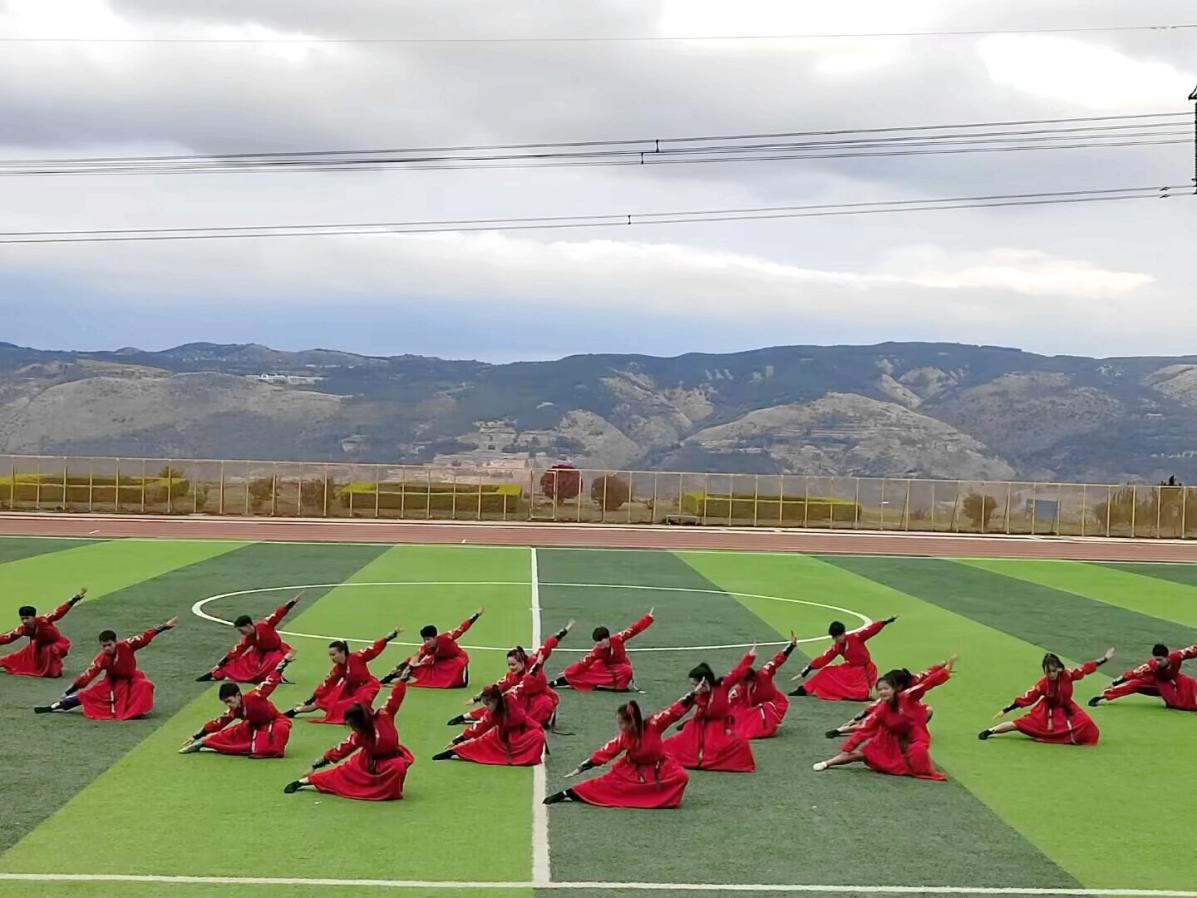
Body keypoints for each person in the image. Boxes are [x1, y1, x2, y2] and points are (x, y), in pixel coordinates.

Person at [813, 656, 955, 781]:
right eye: (880, 690)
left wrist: (945, 669)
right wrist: (849, 745)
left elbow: (928, 682)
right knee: (860, 754)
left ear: (895, 688)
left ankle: (913, 761)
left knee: (918, 750)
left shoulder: (908, 695)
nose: (882, 692)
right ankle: (827, 763)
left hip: (909, 733)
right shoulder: (881, 708)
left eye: (886, 689)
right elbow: (865, 728)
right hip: (888, 738)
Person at [544, 695, 694, 809]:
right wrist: (583, 767)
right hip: (632, 769)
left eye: (622, 723)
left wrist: (694, 694)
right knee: (604, 785)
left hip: (660, 767)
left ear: (632, 722)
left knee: (681, 777)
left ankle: (659, 798)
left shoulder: (654, 724)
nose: (620, 727)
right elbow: (606, 752)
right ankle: (569, 793)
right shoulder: (624, 737)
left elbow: (673, 712)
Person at [284, 674, 415, 801]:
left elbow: (395, 698)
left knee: (398, 767)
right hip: (368, 762)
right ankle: (303, 782)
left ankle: (386, 791)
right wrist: (316, 764)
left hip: (392, 759)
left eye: (353, 725)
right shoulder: (359, 736)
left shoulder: (384, 715)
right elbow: (340, 750)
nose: (352, 728)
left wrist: (402, 680)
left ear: (361, 722)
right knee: (339, 775)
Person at [34, 617, 178, 719]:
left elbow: (145, 636)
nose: (107, 648)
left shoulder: (127, 645)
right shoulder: (101, 658)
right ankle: (55, 706)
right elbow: (87, 676)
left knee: (145, 685)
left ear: (115, 642)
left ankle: (135, 711)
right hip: (113, 682)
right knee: (87, 695)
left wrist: (164, 626)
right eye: (104, 646)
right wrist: (70, 690)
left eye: (109, 645)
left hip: (131, 678)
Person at [450, 621, 574, 729]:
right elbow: (495, 688)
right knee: (503, 706)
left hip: (541, 699)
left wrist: (564, 631)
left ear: (522, 662)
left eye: (513, 664)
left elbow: (549, 644)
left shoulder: (535, 661)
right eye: (509, 665)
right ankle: (466, 717)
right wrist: (475, 700)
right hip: (523, 700)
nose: (511, 668)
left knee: (543, 705)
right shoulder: (511, 677)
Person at [979, 649, 1114, 745]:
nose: (1051, 674)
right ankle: (990, 731)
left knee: (1088, 726)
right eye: (1048, 672)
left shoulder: (1068, 674)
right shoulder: (1043, 684)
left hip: (1068, 707)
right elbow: (1026, 698)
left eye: (1053, 671)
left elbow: (1086, 668)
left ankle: (1069, 738)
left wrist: (1105, 658)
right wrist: (1006, 709)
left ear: (1058, 668)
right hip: (1047, 711)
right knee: (1020, 724)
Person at [179, 654, 295, 758]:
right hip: (254, 726)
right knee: (225, 737)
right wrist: (197, 736)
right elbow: (218, 723)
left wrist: (284, 662)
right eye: (226, 703)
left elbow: (271, 681)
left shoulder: (255, 696)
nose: (229, 705)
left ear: (238, 695)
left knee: (275, 744)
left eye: (229, 701)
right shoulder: (234, 711)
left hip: (275, 722)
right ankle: (202, 744)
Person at [663, 651, 757, 772]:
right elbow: (679, 709)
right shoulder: (695, 695)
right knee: (670, 747)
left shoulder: (723, 685)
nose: (694, 687)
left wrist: (749, 657)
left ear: (704, 682)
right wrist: (693, 694)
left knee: (741, 744)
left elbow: (737, 672)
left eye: (695, 684)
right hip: (698, 728)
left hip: (720, 727)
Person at [286, 627, 400, 724]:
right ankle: (296, 711)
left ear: (342, 652)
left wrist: (388, 637)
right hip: (351, 689)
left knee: (361, 701)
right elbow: (325, 685)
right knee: (324, 701)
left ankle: (365, 717)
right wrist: (310, 700)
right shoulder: (337, 669)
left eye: (334, 654)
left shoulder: (357, 657)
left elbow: (373, 648)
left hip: (367, 686)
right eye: (330, 655)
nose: (332, 658)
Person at [432, 683, 546, 766]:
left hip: (522, 732)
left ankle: (522, 757)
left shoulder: (511, 698)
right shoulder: (491, 714)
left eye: (488, 704)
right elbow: (477, 728)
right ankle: (453, 752)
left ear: (496, 700)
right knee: (478, 745)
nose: (487, 708)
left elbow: (523, 685)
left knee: (538, 736)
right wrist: (457, 740)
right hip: (502, 737)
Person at [198, 593, 301, 684]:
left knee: (270, 667)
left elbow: (278, 614)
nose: (241, 633)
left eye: (241, 630)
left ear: (248, 625)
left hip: (275, 651)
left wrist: (291, 603)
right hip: (258, 654)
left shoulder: (264, 625)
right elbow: (235, 652)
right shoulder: (247, 638)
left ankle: (276, 677)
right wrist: (220, 664)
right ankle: (216, 674)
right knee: (240, 664)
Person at [790, 616, 897, 701]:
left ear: (844, 633)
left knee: (861, 694)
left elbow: (870, 630)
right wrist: (809, 668)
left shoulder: (856, 637)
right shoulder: (837, 646)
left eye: (838, 636)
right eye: (834, 637)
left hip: (864, 670)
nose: (836, 639)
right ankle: (804, 689)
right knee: (826, 671)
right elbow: (825, 658)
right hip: (850, 669)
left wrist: (884, 622)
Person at [549, 609, 654, 692]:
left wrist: (648, 618)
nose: (599, 644)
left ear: (607, 638)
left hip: (620, 666)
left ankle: (615, 686)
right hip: (605, 668)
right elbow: (583, 663)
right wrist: (568, 672)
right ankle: (556, 683)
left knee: (626, 670)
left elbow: (633, 629)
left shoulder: (618, 638)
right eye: (597, 642)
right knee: (585, 672)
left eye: (601, 641)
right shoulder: (597, 650)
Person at [382, 608, 482, 689]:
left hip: (456, 659)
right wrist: (390, 676)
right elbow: (412, 660)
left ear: (435, 637)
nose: (426, 642)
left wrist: (476, 615)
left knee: (458, 664)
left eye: (428, 639)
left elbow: (462, 628)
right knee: (419, 667)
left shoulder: (446, 638)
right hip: (441, 662)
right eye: (424, 640)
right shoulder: (426, 648)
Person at [825, 666, 932, 738]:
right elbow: (870, 709)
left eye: (888, 686)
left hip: (909, 715)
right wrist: (852, 720)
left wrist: (940, 668)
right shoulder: (891, 696)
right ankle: (840, 730)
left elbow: (928, 674)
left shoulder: (912, 684)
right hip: (897, 717)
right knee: (873, 722)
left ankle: (911, 732)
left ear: (899, 686)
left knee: (928, 710)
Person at [1, 588, 86, 678]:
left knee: (51, 650)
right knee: (14, 658)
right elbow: (8, 638)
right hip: (38, 647)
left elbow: (58, 612)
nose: (25, 621)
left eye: (27, 618)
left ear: (34, 617)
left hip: (56, 644)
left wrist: (74, 600)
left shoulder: (43, 620)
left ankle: (54, 672)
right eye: (22, 619)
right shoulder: (23, 629)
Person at [1090, 643, 1197, 712]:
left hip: (1175, 677)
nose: (1157, 662)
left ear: (1167, 657)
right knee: (1134, 684)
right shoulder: (1151, 665)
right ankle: (1103, 696)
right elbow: (1131, 674)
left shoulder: (1177, 656)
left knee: (1190, 682)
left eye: (1160, 660)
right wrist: (1114, 683)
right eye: (1156, 659)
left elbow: (1193, 650)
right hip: (1158, 681)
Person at [729, 632, 798, 740]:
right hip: (755, 707)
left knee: (765, 708)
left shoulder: (764, 674)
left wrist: (791, 646)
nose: (741, 685)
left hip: (773, 704)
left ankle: (764, 728)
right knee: (737, 711)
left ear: (751, 679)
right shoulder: (740, 690)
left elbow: (777, 660)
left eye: (743, 683)